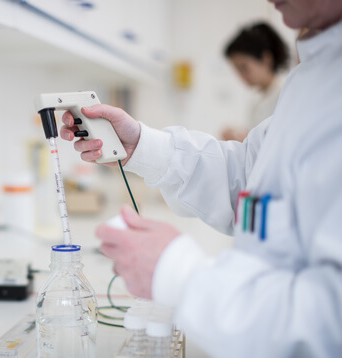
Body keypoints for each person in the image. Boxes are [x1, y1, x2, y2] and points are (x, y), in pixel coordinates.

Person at [59, 0, 342, 356]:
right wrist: (142, 147)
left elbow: (330, 324)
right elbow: (251, 173)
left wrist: (179, 272)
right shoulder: (317, 74)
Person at [221, 22, 290, 142]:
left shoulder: (286, 93)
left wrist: (243, 139)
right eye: (237, 69)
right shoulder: (258, 100)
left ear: (266, 59)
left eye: (244, 67)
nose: (241, 76)